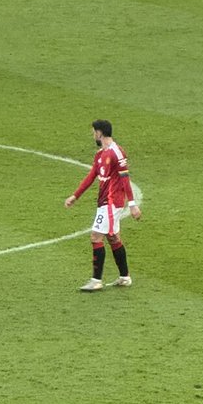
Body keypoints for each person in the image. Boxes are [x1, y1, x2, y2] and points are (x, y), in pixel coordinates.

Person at [65, 120, 141, 291]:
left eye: (94, 132)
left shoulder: (117, 152)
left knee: (95, 236)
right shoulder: (100, 155)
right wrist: (75, 196)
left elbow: (125, 179)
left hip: (112, 203)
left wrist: (133, 204)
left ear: (100, 133)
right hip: (103, 202)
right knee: (113, 238)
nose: (93, 135)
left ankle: (96, 280)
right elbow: (91, 176)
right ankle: (124, 277)